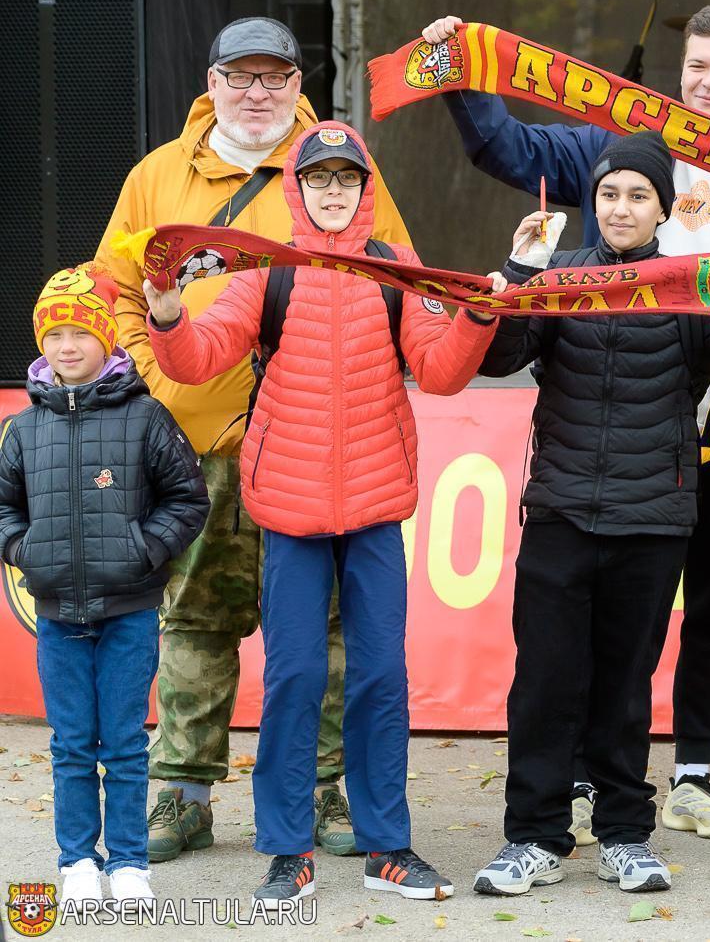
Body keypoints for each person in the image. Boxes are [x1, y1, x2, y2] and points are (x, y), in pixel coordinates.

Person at [421, 4, 710, 843]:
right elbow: (507, 148)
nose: (709, 82)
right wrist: (460, 71)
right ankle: (585, 769)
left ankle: (694, 774)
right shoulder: (628, 143)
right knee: (608, 601)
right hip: (629, 399)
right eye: (698, 65)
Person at [470, 134, 710, 898]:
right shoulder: (559, 277)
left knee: (624, 685)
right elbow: (497, 356)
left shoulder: (687, 285)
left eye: (639, 195)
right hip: (560, 510)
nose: (622, 208)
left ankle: (624, 835)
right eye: (610, 194)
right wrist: (519, 272)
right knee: (543, 682)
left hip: (653, 517)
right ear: (592, 202)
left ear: (663, 210)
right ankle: (533, 836)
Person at [142, 123, 508, 903]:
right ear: (298, 187)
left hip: (376, 504)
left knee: (381, 676)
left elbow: (439, 372)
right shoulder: (268, 271)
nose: (333, 190)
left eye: (347, 177)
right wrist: (168, 316)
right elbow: (199, 359)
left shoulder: (396, 265)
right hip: (288, 506)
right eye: (320, 177)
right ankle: (287, 851)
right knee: (296, 676)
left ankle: (387, 848)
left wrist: (477, 317)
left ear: (366, 186)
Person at [94, 17, 412, 863]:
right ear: (212, 83)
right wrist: (156, 380)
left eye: (275, 77)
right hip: (190, 443)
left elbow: (398, 281)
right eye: (241, 76)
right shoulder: (156, 176)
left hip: (316, 448)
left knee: (329, 628)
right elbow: (114, 288)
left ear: (299, 85)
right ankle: (184, 792)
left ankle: (327, 786)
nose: (258, 92)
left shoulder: (340, 165)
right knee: (194, 616)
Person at [0, 267, 208, 906]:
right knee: (69, 745)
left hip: (129, 612)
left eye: (81, 333)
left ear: (106, 338)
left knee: (122, 744)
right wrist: (25, 549)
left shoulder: (146, 416)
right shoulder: (23, 429)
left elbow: (187, 498)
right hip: (58, 614)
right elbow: (5, 507)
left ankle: (128, 861)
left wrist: (144, 550)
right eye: (55, 333)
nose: (67, 346)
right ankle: (77, 861)